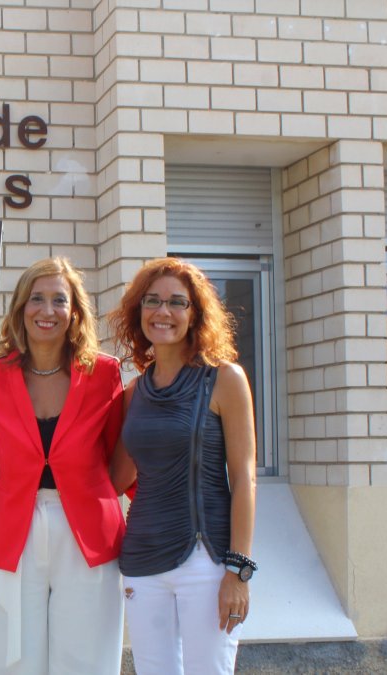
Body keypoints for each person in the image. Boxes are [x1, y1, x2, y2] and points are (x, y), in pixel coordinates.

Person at [0, 257, 126, 674]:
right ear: (21, 308)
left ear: (74, 311)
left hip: (87, 533)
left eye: (59, 299)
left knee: (87, 659)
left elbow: (118, 459)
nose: (47, 310)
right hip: (12, 532)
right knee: (14, 658)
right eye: (36, 299)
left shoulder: (104, 373)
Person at [108, 257, 257, 675]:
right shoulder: (133, 393)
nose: (164, 312)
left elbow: (245, 480)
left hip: (206, 563)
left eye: (178, 302)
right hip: (141, 563)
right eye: (152, 301)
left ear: (195, 314)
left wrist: (238, 571)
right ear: (139, 312)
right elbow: (115, 479)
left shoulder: (224, 379)